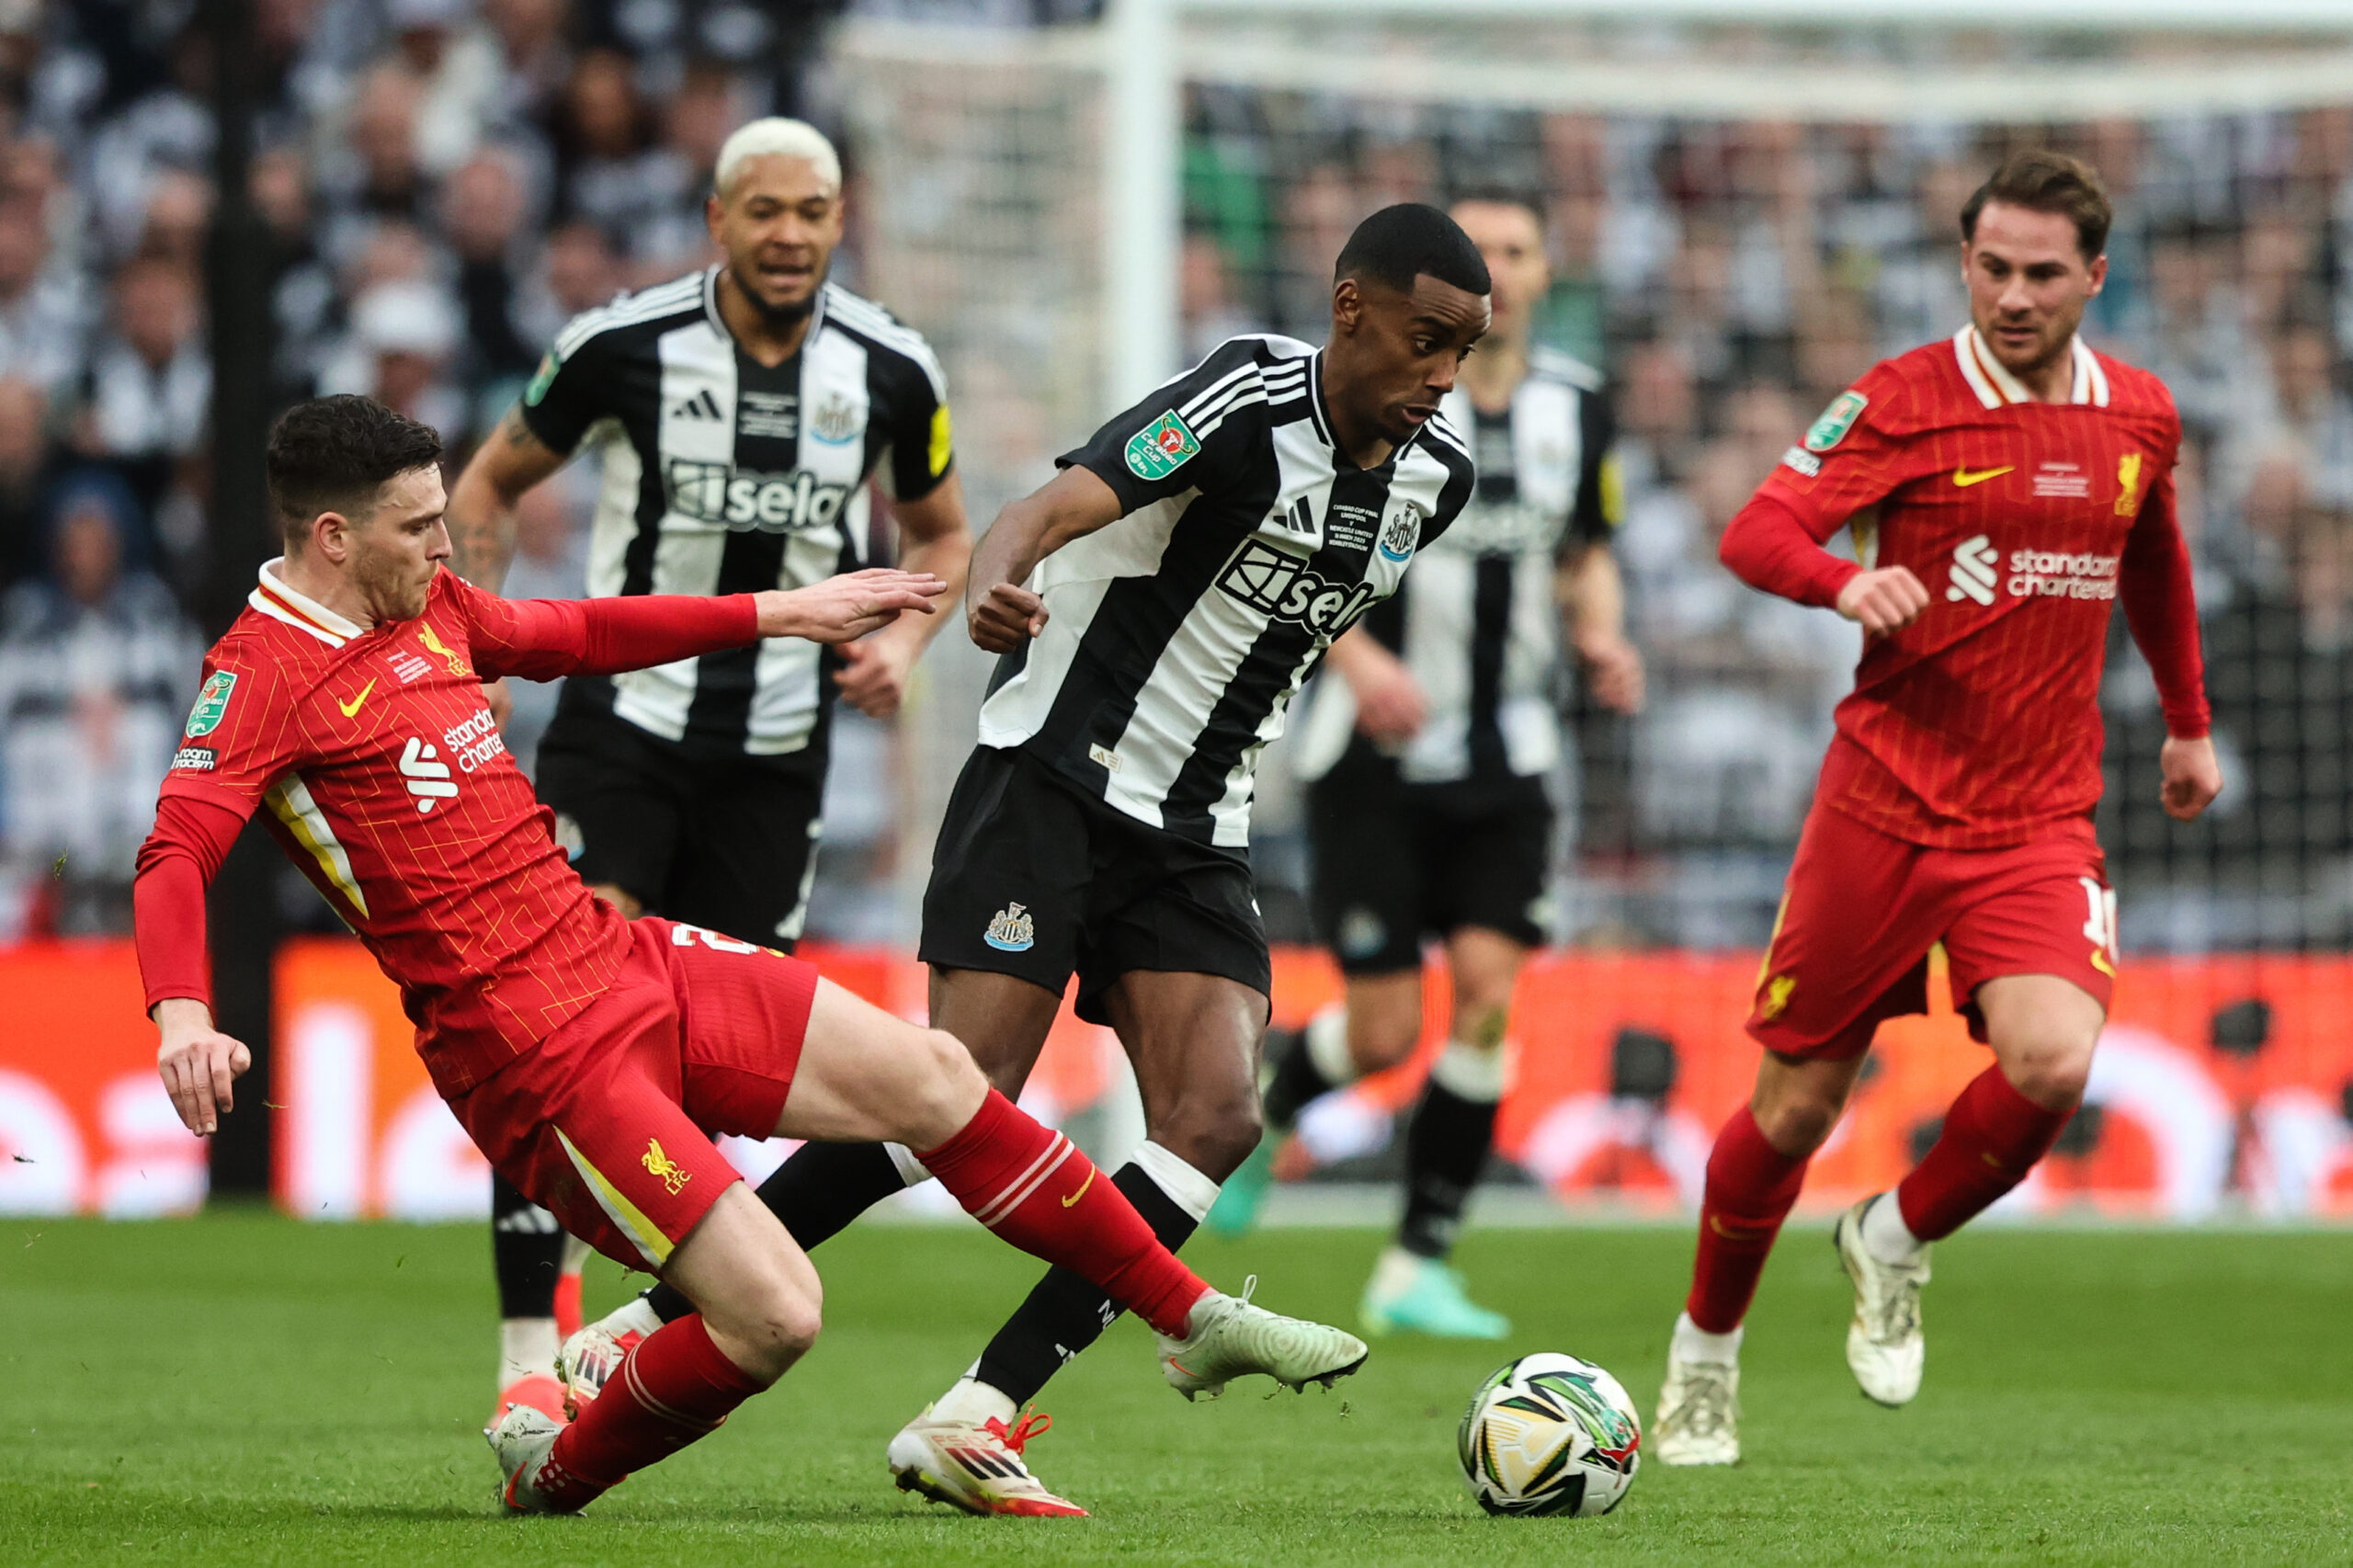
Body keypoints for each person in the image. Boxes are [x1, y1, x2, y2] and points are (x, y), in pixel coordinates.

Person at [131, 394, 1366, 1515]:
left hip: (626, 956)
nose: (447, 549)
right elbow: (175, 853)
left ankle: (1189, 1314)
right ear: (334, 537)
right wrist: (184, 1015)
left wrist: (783, 612)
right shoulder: (257, 675)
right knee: (779, 1316)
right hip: (532, 1052)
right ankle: (551, 1471)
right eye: (418, 529)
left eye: (446, 519)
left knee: (942, 1078)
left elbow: (572, 629)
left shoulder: (431, 604)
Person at [563, 202, 1489, 1516]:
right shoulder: (1240, 398)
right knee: (955, 1087)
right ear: (1353, 309)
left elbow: (1271, 616)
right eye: (1425, 339)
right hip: (1053, 782)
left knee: (1219, 1114)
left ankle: (977, 1409)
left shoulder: (1433, 481)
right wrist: (997, 587)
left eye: (1463, 350)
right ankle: (634, 1324)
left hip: (1196, 829)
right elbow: (1042, 510)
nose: (1443, 376)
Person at [1649, 152, 2222, 1467]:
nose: (2012, 295)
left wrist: (2187, 723)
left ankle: (1894, 1233)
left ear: (2093, 275)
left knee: (2054, 1063)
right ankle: (1705, 1351)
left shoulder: (2140, 416)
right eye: (1991, 268)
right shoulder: (1902, 395)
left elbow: (2157, 559)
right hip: (1882, 805)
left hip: (2037, 817)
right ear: (1965, 264)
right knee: (1794, 1111)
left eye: (2040, 273)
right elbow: (1758, 529)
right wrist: (1839, 587)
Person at [441, 116, 972, 1426]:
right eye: (763, 210)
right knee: (561, 1024)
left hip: (776, 760)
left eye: (811, 211)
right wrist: (475, 640)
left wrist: (907, 641)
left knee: (691, 1054)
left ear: (841, 221)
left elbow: (945, 531)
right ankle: (526, 1342)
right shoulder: (620, 344)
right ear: (716, 219)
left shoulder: (894, 369)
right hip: (618, 729)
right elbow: (492, 483)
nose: (788, 233)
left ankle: (625, 1332)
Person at [1203, 190, 1644, 1341]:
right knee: (1388, 1026)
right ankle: (1272, 1103)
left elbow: (1587, 554)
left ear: (1536, 278)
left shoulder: (1578, 414)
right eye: (1477, 246)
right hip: (1377, 758)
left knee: (1490, 1004)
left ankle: (1415, 1262)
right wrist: (1352, 659)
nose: (1492, 265)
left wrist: (1600, 631)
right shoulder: (1392, 398)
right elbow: (1307, 539)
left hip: (1513, 756)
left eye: (1514, 249)